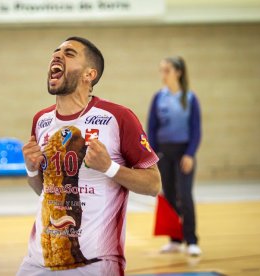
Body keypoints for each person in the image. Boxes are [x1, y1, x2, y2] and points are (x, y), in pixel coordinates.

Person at [18, 37, 161, 276]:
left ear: (89, 74)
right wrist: (32, 169)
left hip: (95, 263)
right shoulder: (41, 120)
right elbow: (43, 190)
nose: (56, 56)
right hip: (37, 261)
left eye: (69, 53)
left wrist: (109, 167)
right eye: (56, 52)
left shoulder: (118, 117)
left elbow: (154, 185)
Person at [147, 56, 202, 256]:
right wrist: (152, 156)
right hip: (163, 153)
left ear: (178, 72)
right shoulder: (158, 97)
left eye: (167, 70)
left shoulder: (190, 98)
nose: (163, 74)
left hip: (183, 153)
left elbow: (196, 129)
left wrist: (190, 154)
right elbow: (151, 129)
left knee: (185, 196)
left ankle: (192, 240)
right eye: (161, 70)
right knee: (168, 196)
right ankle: (175, 239)